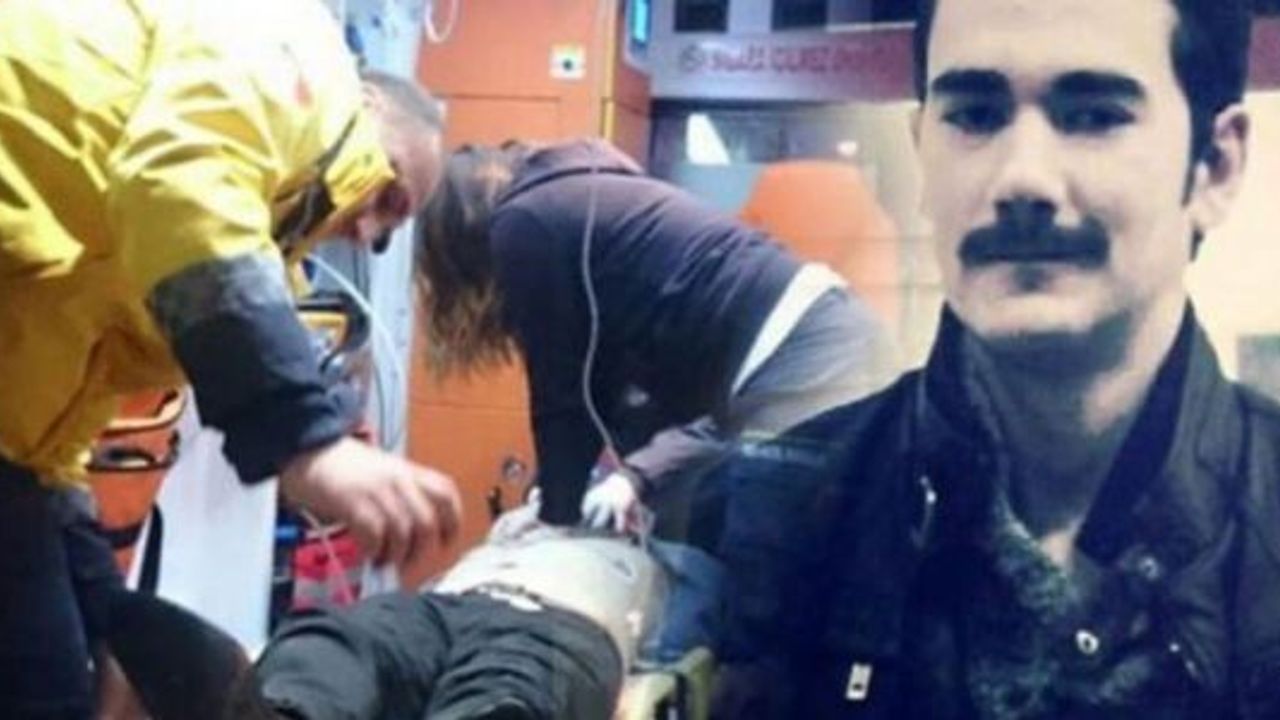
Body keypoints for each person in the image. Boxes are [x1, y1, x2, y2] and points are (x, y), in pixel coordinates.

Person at [712, 0, 1280, 717]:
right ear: (921, 152)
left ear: (1215, 167)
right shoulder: (780, 518)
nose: (1021, 180)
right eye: (976, 116)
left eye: (1093, 116)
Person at [0, 0, 461, 715]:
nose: (366, 227)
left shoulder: (264, 229)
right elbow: (180, 186)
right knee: (43, 685)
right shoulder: (292, 54)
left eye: (386, 231)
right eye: (389, 193)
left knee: (112, 645)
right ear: (367, 105)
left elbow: (75, 355)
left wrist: (64, 509)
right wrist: (305, 438)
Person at [415, 138, 895, 534]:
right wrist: (565, 491)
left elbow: (561, 394)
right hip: (820, 334)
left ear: (457, 235)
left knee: (763, 562)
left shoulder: (524, 221)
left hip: (799, 347)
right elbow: (597, 389)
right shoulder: (580, 198)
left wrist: (555, 518)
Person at [106, 508, 673, 720]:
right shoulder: (516, 526)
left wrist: (631, 489)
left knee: (509, 693)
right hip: (445, 603)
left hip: (560, 618)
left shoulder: (646, 555)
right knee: (331, 643)